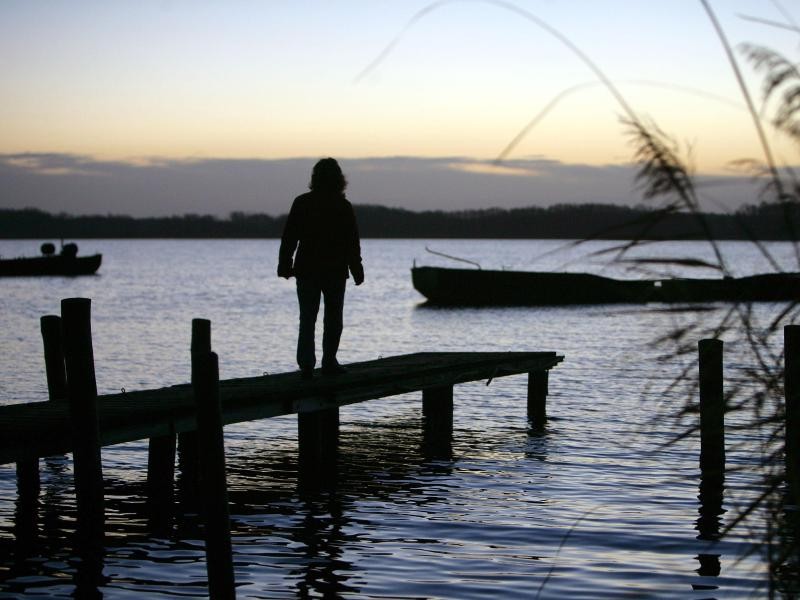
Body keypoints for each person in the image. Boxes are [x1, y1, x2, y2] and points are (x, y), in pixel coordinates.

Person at [278, 158, 364, 379]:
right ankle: (328, 362)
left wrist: (285, 265)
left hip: (308, 269)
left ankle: (307, 364)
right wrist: (357, 268)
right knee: (333, 318)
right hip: (333, 270)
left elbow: (289, 238)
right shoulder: (342, 206)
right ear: (339, 180)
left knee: (308, 317)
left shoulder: (303, 202)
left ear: (314, 178)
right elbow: (351, 242)